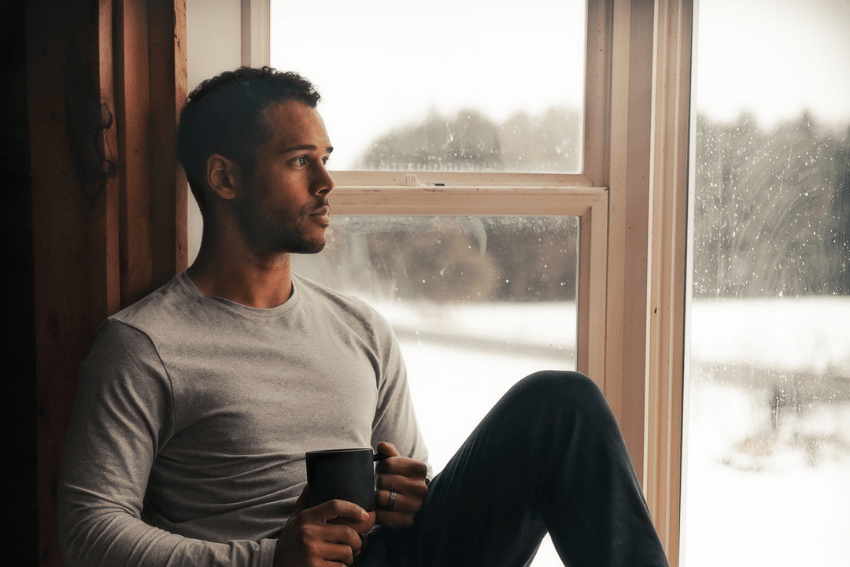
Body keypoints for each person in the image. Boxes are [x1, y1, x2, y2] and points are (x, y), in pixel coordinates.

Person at [58, 66, 669, 567]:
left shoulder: (360, 328)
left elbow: (411, 496)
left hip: (392, 560)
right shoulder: (143, 344)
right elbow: (88, 531)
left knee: (560, 402)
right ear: (224, 177)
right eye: (301, 161)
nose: (327, 182)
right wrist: (267, 559)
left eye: (326, 158)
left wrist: (408, 494)